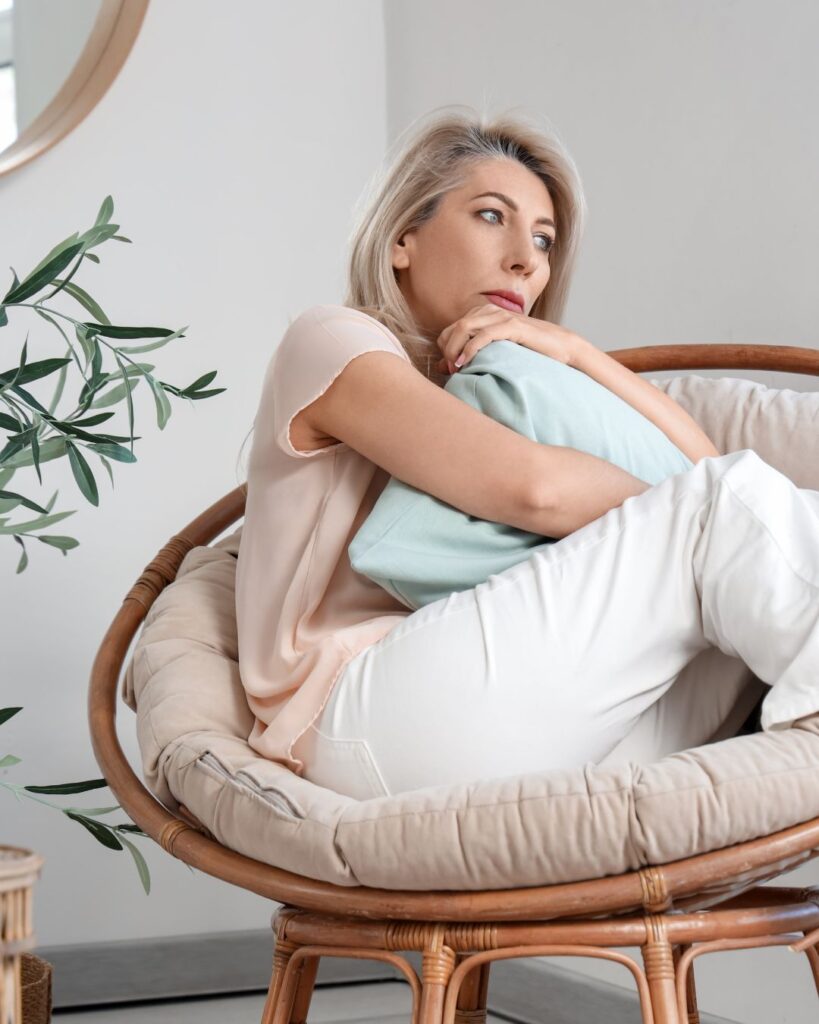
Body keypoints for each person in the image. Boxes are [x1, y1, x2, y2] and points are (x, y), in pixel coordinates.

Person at [234, 105, 819, 801]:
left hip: (510, 714)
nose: (525, 258)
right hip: (353, 715)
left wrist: (575, 351)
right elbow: (535, 490)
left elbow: (701, 461)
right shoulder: (332, 340)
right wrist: (679, 516)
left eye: (543, 240)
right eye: (490, 216)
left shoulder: (498, 387)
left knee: (729, 597)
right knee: (721, 512)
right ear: (401, 239)